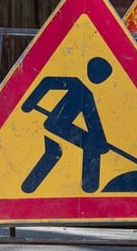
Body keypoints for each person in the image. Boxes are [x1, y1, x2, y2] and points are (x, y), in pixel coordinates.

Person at [20, 57, 113, 193]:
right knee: (83, 147)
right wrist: (29, 103)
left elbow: (92, 119)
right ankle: (89, 184)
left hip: (60, 126)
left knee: (61, 151)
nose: (100, 78)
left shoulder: (87, 93)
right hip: (56, 123)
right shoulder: (77, 85)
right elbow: (47, 82)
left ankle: (89, 185)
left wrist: (100, 141)